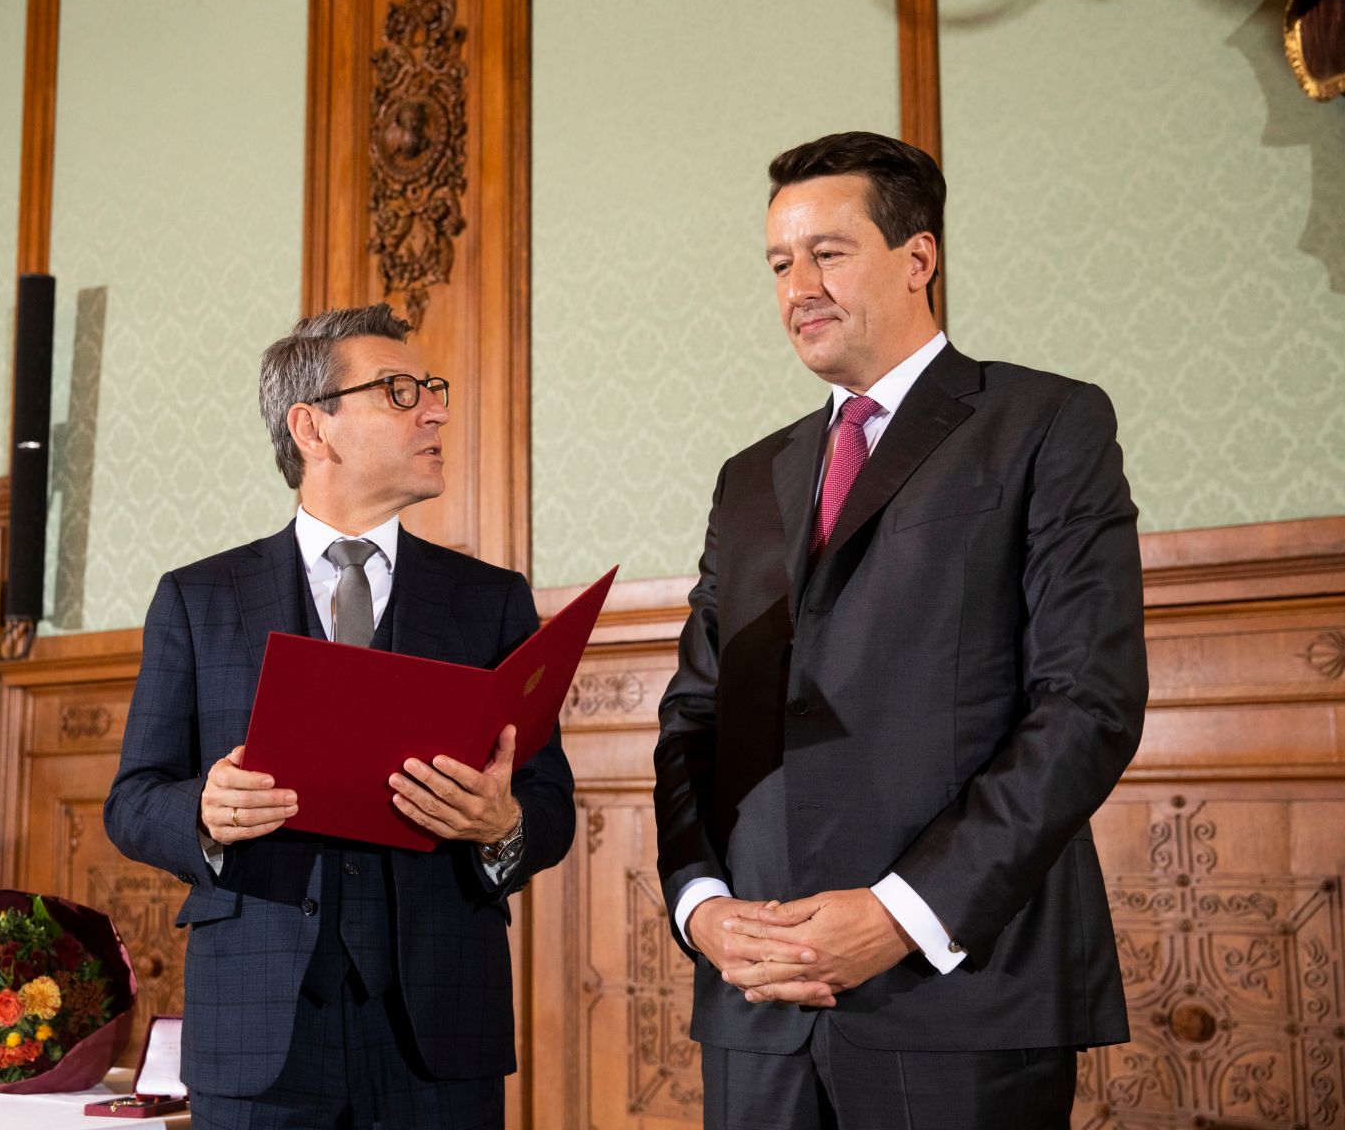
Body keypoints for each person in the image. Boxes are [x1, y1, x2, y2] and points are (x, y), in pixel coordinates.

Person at [652, 131, 1148, 1128]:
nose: (797, 285)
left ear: (915, 257)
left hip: (959, 993)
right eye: (779, 262)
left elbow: (1084, 702)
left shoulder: (1043, 422)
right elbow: (695, 719)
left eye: (827, 252)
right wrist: (699, 903)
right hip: (759, 1007)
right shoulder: (750, 477)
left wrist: (900, 914)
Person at [104, 303, 573, 1130]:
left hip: (439, 1031)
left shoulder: (491, 601)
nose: (435, 409)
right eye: (399, 391)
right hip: (259, 1030)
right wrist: (205, 812)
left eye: (432, 388)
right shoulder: (198, 598)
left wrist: (502, 824)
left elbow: (550, 807)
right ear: (312, 428)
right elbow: (133, 799)